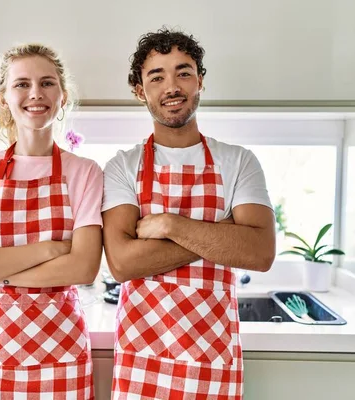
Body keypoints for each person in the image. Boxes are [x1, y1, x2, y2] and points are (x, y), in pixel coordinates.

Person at [102, 28, 276, 399]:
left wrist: (169, 225)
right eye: (157, 76)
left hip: (212, 360)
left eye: (183, 72)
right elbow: (122, 263)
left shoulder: (238, 161)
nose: (172, 86)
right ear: (139, 90)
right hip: (142, 363)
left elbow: (260, 253)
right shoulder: (122, 167)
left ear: (200, 81)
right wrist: (225, 234)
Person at [0, 43, 102, 399]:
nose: (36, 94)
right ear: (3, 98)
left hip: (60, 351)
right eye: (22, 84)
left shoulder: (84, 172)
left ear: (62, 95)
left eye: (47, 83)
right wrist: (51, 249)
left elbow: (83, 268)